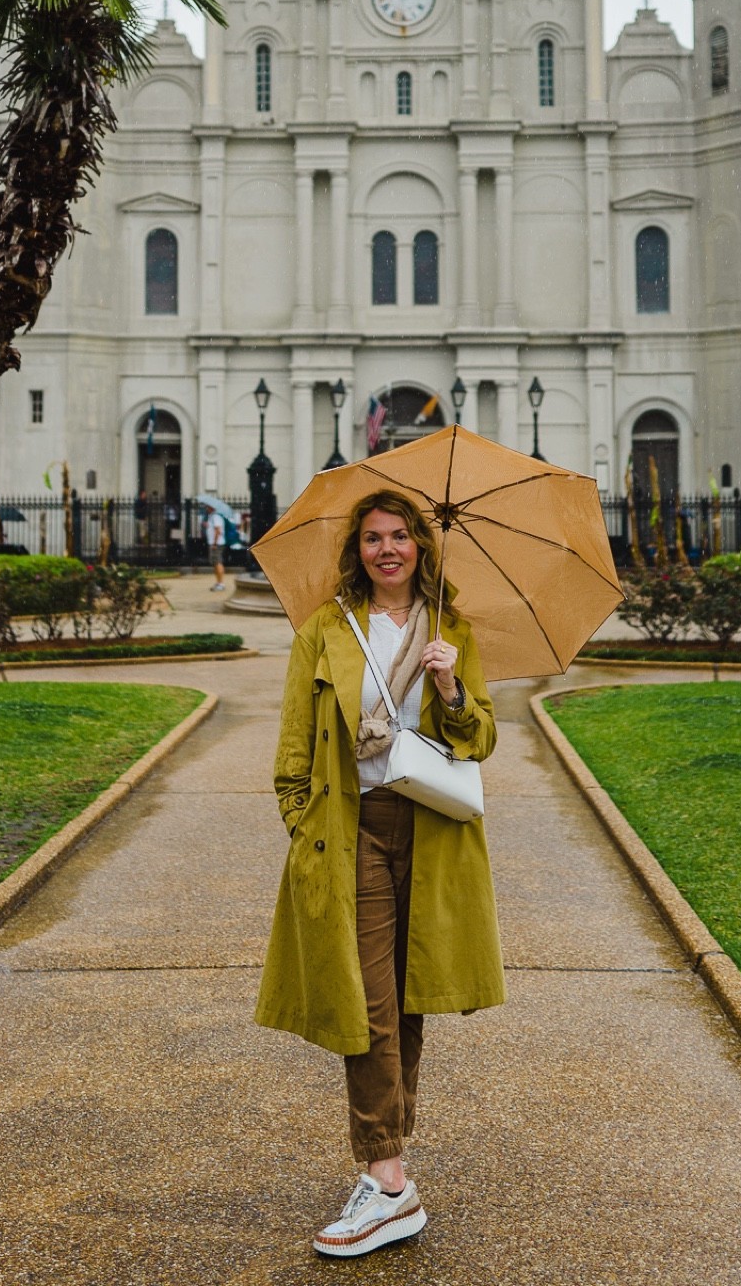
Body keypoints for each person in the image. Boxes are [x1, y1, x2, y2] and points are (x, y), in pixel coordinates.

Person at [256, 489, 504, 1257]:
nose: (387, 549)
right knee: (366, 1003)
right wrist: (306, 830)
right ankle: (388, 1176)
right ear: (356, 550)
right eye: (372, 538)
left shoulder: (451, 632)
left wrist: (451, 688)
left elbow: (482, 739)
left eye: (400, 536)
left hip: (430, 836)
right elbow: (292, 753)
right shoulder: (326, 631)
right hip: (349, 833)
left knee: (406, 997)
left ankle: (390, 1180)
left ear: (422, 546)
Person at [203, 506, 228, 591]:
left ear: (211, 508)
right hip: (214, 543)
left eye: (207, 507)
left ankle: (221, 583)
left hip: (217, 543)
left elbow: (218, 530)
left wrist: (215, 543)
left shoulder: (216, 517)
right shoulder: (212, 517)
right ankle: (218, 582)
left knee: (218, 562)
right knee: (215, 563)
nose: (206, 508)